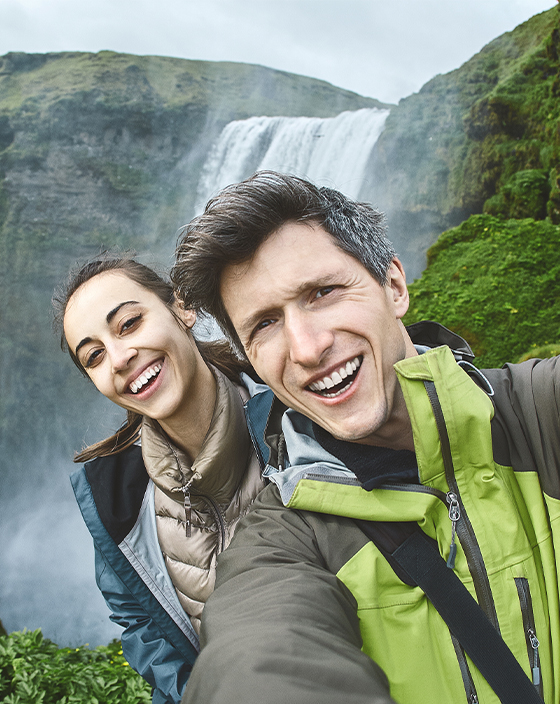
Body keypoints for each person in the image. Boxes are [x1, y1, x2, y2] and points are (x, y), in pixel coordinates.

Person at [171, 171, 560, 704]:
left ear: (394, 286)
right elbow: (254, 657)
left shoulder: (544, 412)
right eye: (264, 324)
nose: (306, 348)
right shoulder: (282, 543)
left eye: (322, 292)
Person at [52, 256, 268, 704]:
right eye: (94, 356)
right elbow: (141, 624)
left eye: (129, 323)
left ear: (183, 309)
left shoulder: (296, 419)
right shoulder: (115, 501)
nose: (119, 358)